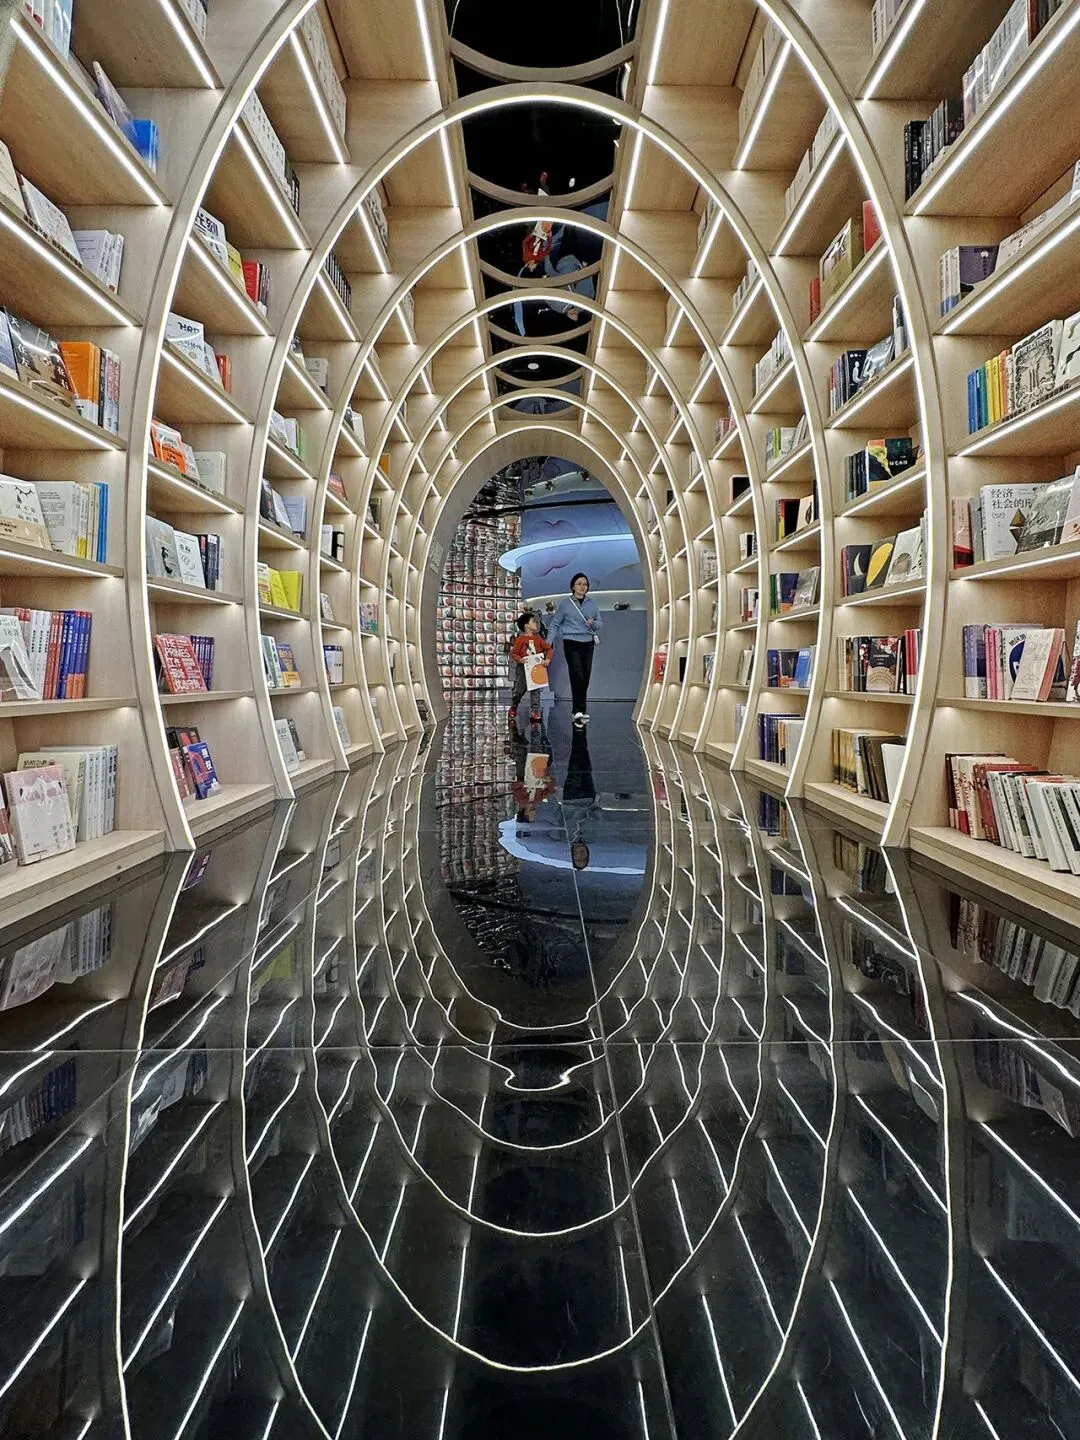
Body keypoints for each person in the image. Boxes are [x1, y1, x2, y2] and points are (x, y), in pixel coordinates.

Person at [546, 573, 602, 726]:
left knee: (586, 676)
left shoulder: (592, 603)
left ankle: (581, 710)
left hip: (588, 642)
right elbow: (555, 624)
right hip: (571, 642)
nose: (583, 586)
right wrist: (547, 643)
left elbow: (599, 623)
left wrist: (593, 624)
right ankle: (577, 710)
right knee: (577, 675)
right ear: (573, 586)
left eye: (585, 584)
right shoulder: (566, 604)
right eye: (579, 583)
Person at [509, 612, 552, 725]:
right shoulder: (520, 639)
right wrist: (520, 659)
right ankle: (514, 705)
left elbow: (548, 649)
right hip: (523, 668)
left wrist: (547, 659)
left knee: (535, 690)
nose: (536, 623)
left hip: (536, 667)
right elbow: (514, 653)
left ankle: (535, 711)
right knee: (519, 690)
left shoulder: (538, 639)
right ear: (526, 625)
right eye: (533, 622)